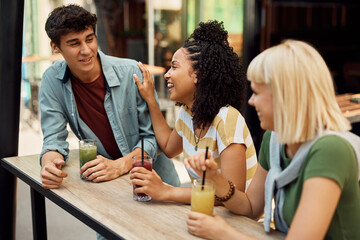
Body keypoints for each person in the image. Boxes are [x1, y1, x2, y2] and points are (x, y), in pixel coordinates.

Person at [185, 39, 360, 239]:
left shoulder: (330, 151)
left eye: (257, 93)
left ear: (285, 97)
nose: (250, 101)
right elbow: (250, 207)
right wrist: (216, 178)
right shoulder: (275, 139)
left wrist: (224, 234)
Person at [39, 4, 180, 190]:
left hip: (158, 181)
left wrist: (119, 165)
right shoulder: (52, 80)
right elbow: (53, 140)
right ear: (55, 47)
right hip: (111, 185)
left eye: (90, 39)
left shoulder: (132, 73)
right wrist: (49, 165)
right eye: (74, 43)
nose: (86, 50)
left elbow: (153, 139)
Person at [130, 20, 257, 204]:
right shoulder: (187, 113)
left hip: (244, 224)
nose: (167, 74)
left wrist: (167, 191)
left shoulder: (227, 119)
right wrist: (151, 98)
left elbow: (232, 195)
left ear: (197, 74)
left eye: (174, 66)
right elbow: (168, 147)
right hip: (206, 215)